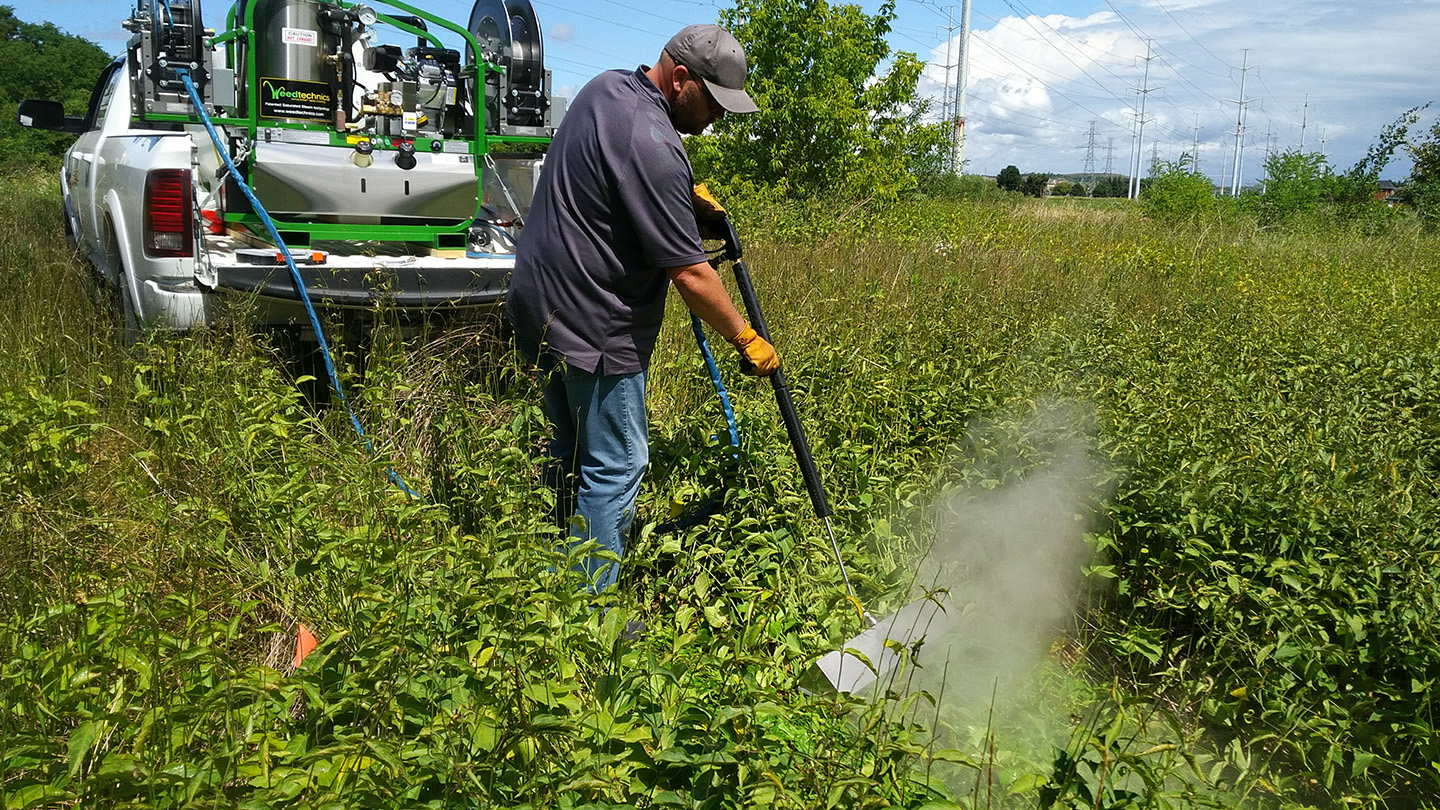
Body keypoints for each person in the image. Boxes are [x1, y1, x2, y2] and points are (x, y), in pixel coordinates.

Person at [507, 24, 780, 595]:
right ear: (680, 78)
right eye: (713, 103)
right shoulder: (656, 143)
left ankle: (558, 566)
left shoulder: (604, 90)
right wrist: (745, 337)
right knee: (617, 465)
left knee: (569, 446)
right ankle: (589, 616)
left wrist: (681, 206)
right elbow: (691, 274)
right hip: (595, 326)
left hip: (539, 305)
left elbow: (613, 191)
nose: (717, 120)